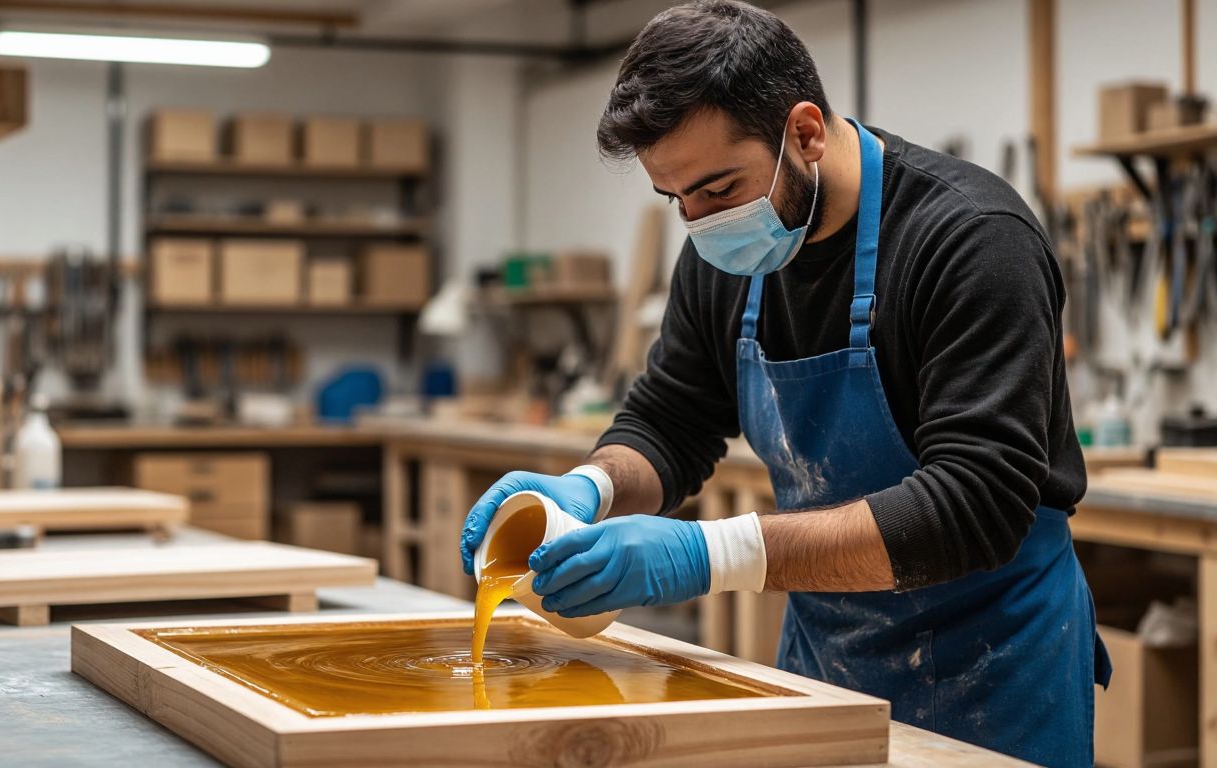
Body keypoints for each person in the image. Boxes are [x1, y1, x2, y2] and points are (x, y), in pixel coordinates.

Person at [458, 2, 1110, 765]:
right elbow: (670, 422)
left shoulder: (970, 240)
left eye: (717, 188)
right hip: (827, 660)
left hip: (993, 666)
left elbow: (976, 504)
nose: (698, 223)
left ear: (803, 132)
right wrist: (590, 488)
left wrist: (707, 554)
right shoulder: (722, 256)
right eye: (677, 201)